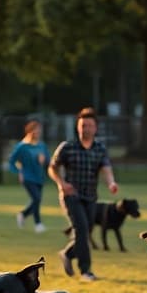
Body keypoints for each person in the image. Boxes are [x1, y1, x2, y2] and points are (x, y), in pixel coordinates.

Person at [48, 107, 118, 282]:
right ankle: (86, 271)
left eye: (89, 125)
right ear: (77, 127)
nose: (85, 129)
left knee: (85, 232)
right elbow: (52, 168)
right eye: (82, 125)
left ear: (95, 128)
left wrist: (111, 183)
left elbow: (106, 169)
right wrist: (61, 183)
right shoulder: (67, 147)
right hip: (71, 196)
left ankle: (67, 253)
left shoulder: (100, 148)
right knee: (81, 229)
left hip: (91, 196)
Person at [9, 119, 49, 233]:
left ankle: (23, 214)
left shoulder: (41, 146)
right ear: (29, 131)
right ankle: (38, 224)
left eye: (39, 131)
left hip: (39, 177)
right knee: (36, 198)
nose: (37, 133)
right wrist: (19, 172)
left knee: (36, 200)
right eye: (35, 130)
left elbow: (48, 161)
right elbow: (12, 161)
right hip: (27, 177)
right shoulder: (22, 146)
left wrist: (44, 160)